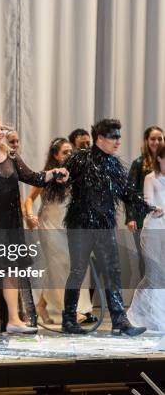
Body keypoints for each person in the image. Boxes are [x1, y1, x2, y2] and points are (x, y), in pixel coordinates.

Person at [0, 112, 66, 335]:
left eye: (2, 128)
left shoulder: (12, 157)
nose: (1, 132)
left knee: (11, 269)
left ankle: (14, 319)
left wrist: (54, 173)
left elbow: (34, 177)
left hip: (8, 224)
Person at [54, 118, 162, 335]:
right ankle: (68, 319)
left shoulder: (113, 164)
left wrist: (148, 207)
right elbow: (59, 182)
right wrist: (58, 179)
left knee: (113, 272)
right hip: (81, 226)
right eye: (114, 136)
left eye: (120, 136)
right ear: (101, 138)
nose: (118, 141)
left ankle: (120, 322)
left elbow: (127, 193)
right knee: (77, 271)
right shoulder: (80, 159)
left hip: (104, 226)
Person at [24, 138, 93, 324]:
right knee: (59, 267)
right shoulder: (48, 175)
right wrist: (30, 215)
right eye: (65, 152)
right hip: (49, 225)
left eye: (71, 151)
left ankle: (42, 305)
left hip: (69, 225)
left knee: (73, 266)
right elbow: (29, 199)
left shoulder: (75, 175)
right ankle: (69, 311)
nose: (69, 155)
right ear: (55, 155)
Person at [128, 144, 165, 332]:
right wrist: (154, 208)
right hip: (153, 230)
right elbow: (148, 200)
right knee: (153, 274)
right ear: (159, 158)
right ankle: (141, 313)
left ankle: (155, 313)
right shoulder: (151, 178)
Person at [126, 126, 163, 278]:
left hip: (163, 218)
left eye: (159, 139)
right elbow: (130, 192)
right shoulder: (139, 163)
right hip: (143, 218)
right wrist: (131, 217)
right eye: (153, 139)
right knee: (147, 260)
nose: (156, 142)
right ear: (146, 141)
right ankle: (146, 297)